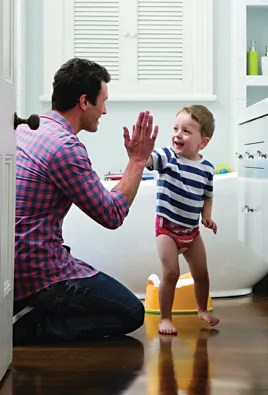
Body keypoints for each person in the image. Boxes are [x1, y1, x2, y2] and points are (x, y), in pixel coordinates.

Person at [13, 57, 158, 344]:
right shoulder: (65, 147)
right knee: (131, 312)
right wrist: (138, 162)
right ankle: (28, 326)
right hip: (38, 273)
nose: (104, 110)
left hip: (11, 266)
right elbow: (112, 214)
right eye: (102, 101)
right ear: (84, 101)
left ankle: (23, 307)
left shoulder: (27, 129)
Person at [146, 105, 219, 335]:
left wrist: (206, 217)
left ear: (202, 142)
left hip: (191, 231)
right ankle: (165, 318)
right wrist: (142, 154)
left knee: (201, 274)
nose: (178, 134)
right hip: (166, 227)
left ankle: (201, 310)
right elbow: (149, 161)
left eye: (186, 131)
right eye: (176, 128)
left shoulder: (206, 168)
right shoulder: (166, 156)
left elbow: (207, 195)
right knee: (171, 273)